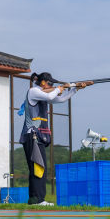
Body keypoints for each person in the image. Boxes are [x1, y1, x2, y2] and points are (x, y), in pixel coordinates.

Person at [20, 72, 92, 206]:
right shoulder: (33, 91)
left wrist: (75, 89)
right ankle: (38, 200)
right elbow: (50, 95)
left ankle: (34, 199)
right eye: (50, 83)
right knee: (39, 167)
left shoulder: (42, 94)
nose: (52, 85)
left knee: (38, 167)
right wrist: (61, 87)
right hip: (32, 135)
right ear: (43, 83)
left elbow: (61, 99)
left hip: (37, 136)